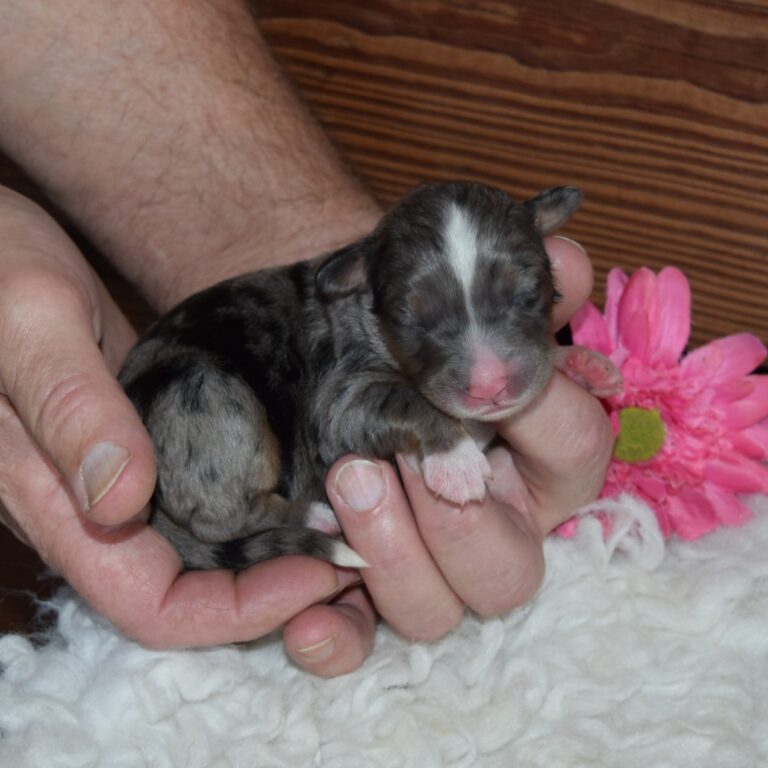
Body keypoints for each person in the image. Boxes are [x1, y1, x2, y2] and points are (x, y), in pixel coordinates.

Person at [0, 0, 613, 677]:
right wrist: (433, 431)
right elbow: (343, 409)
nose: (490, 372)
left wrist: (554, 359)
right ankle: (248, 519)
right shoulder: (345, 318)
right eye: (421, 319)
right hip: (198, 417)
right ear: (357, 286)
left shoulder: (380, 298)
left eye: (523, 297)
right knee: (205, 397)